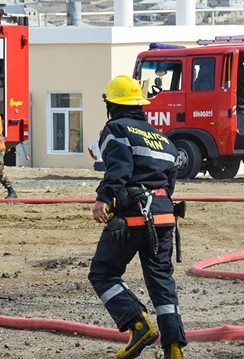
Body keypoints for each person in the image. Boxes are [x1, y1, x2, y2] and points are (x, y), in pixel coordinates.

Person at [89, 75, 186, 359]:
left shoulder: (115, 129)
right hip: (165, 217)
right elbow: (169, 184)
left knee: (103, 272)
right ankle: (175, 347)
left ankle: (138, 324)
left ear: (111, 104)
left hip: (133, 216)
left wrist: (103, 198)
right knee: (161, 279)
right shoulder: (163, 139)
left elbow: (119, 167)